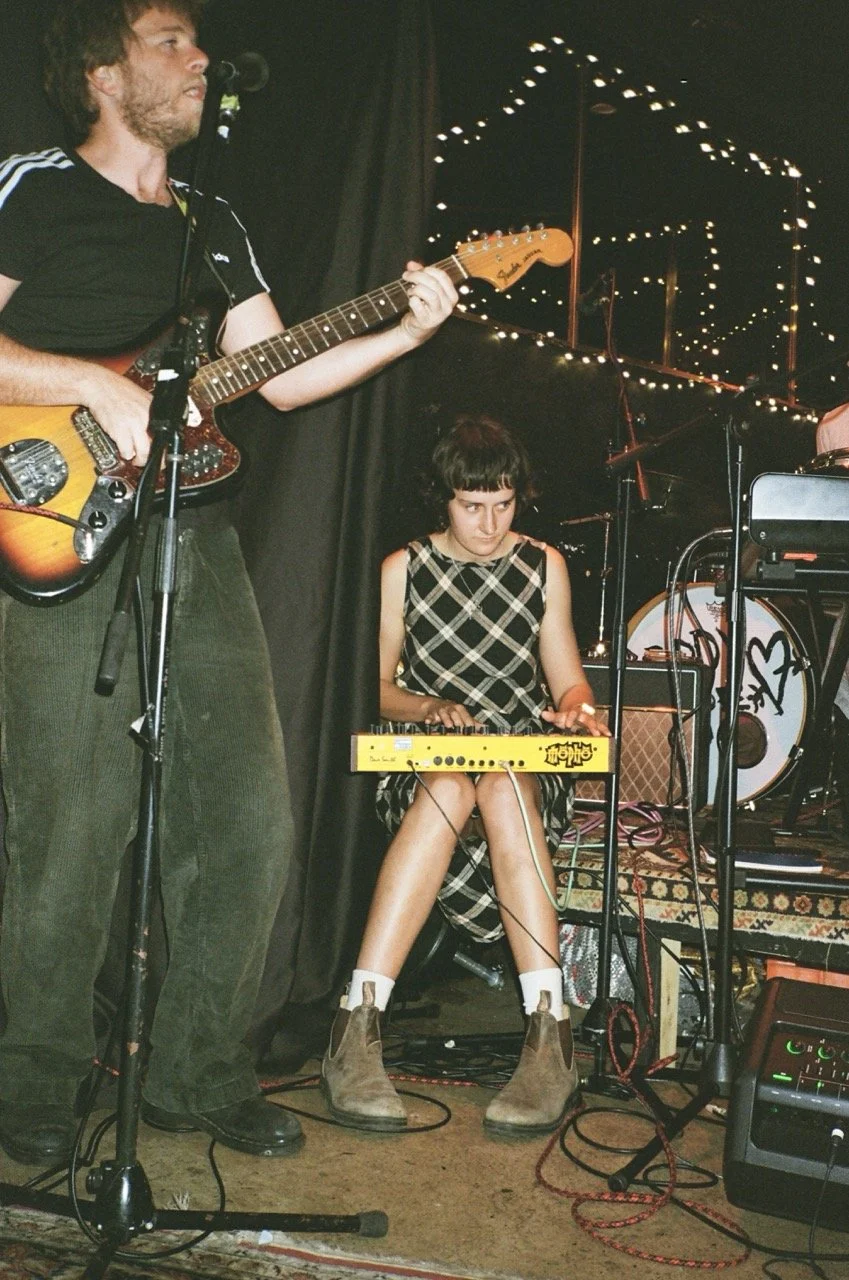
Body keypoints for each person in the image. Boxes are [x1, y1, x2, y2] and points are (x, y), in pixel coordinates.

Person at [0, 0, 457, 1167]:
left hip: (190, 537)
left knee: (250, 820)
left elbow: (284, 373)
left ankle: (198, 1075)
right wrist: (91, 388)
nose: (199, 59)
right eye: (171, 43)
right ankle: (31, 1085)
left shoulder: (215, 220)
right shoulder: (31, 188)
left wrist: (408, 329)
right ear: (102, 70)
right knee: (71, 828)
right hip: (54, 526)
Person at [321, 416, 610, 1137]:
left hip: (515, 754)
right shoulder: (404, 568)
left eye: (503, 505)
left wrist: (578, 713)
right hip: (426, 750)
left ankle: (549, 1037)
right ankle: (356, 1027)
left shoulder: (543, 565)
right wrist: (431, 706)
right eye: (471, 506)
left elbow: (567, 681)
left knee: (504, 782)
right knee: (452, 782)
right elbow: (375, 686)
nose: (488, 524)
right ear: (442, 498)